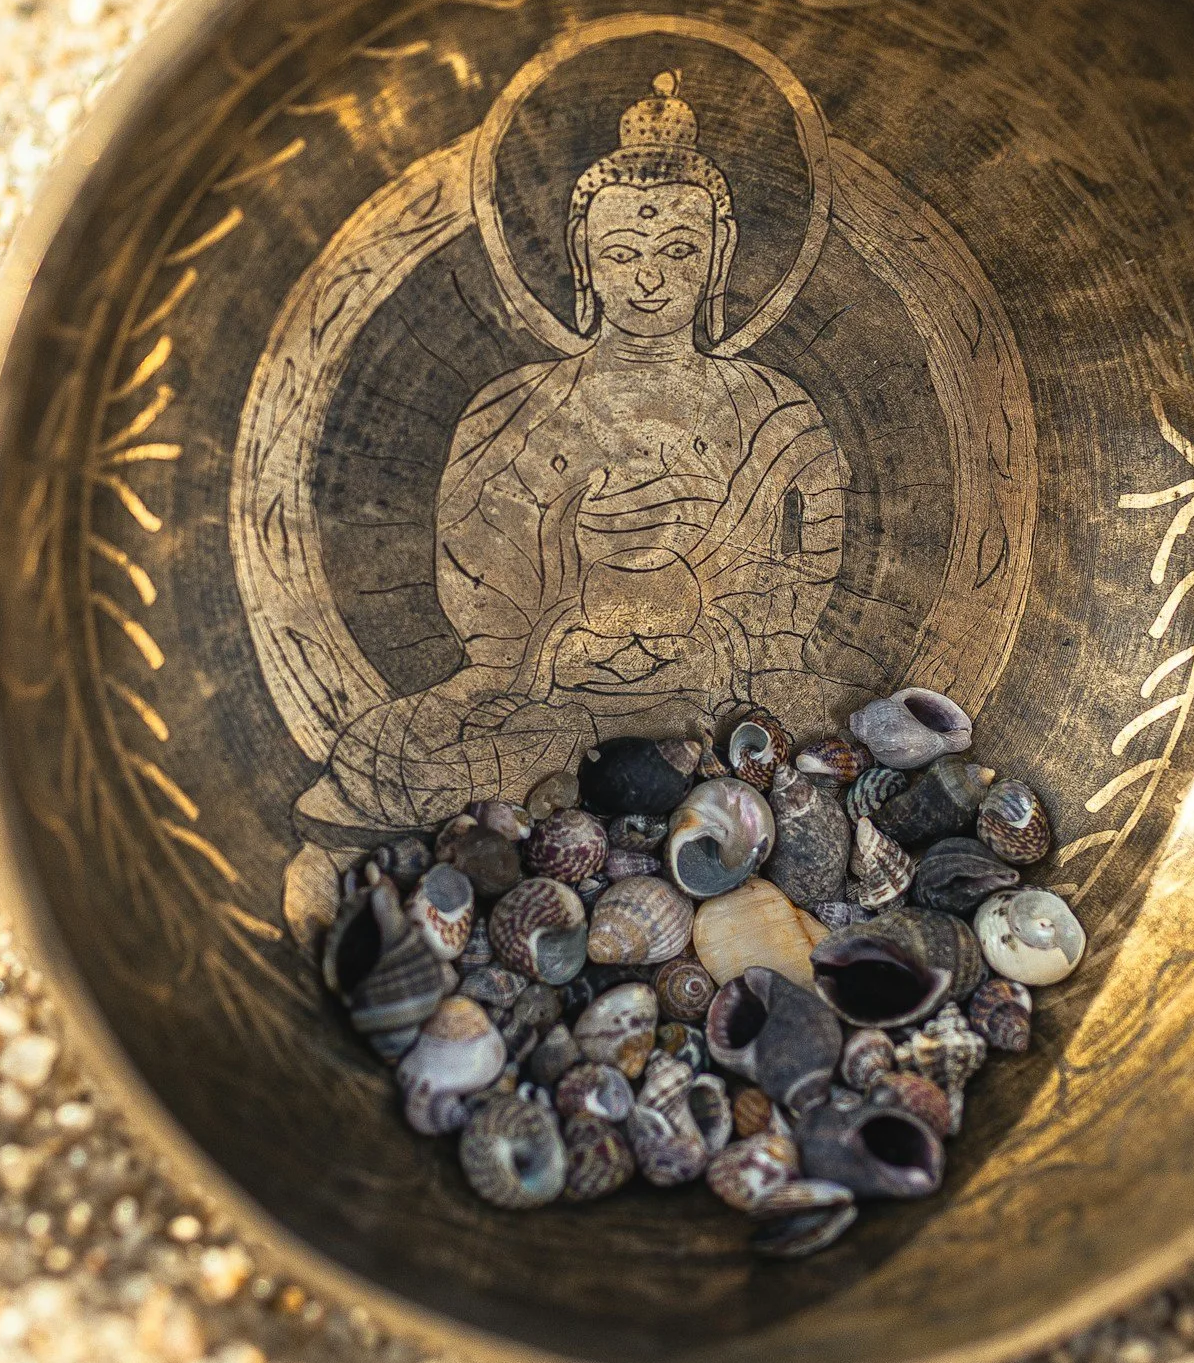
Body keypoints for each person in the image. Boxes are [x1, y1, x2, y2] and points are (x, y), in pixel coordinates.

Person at [299, 72, 845, 832]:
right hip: (541, 700)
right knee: (375, 749)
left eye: (680, 249)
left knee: (830, 716)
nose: (650, 278)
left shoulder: (778, 415)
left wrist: (698, 618)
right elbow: (488, 646)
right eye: (622, 252)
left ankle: (617, 786)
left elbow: (786, 634)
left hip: (719, 699)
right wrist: (565, 561)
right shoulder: (511, 413)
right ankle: (619, 786)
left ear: (719, 261)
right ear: (583, 264)